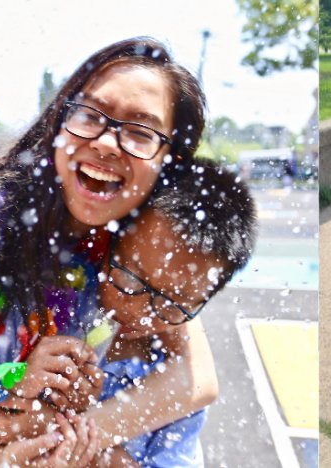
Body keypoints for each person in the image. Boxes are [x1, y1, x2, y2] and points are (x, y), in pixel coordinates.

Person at [0, 37, 220, 466]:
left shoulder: (145, 235)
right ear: (60, 121)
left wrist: (77, 436)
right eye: (90, 115)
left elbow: (196, 375)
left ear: (170, 163)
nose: (108, 142)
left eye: (140, 132)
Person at [97, 159, 256, 466]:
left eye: (171, 304)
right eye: (131, 279)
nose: (141, 312)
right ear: (109, 236)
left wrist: (85, 447)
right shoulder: (55, 306)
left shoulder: (175, 391)